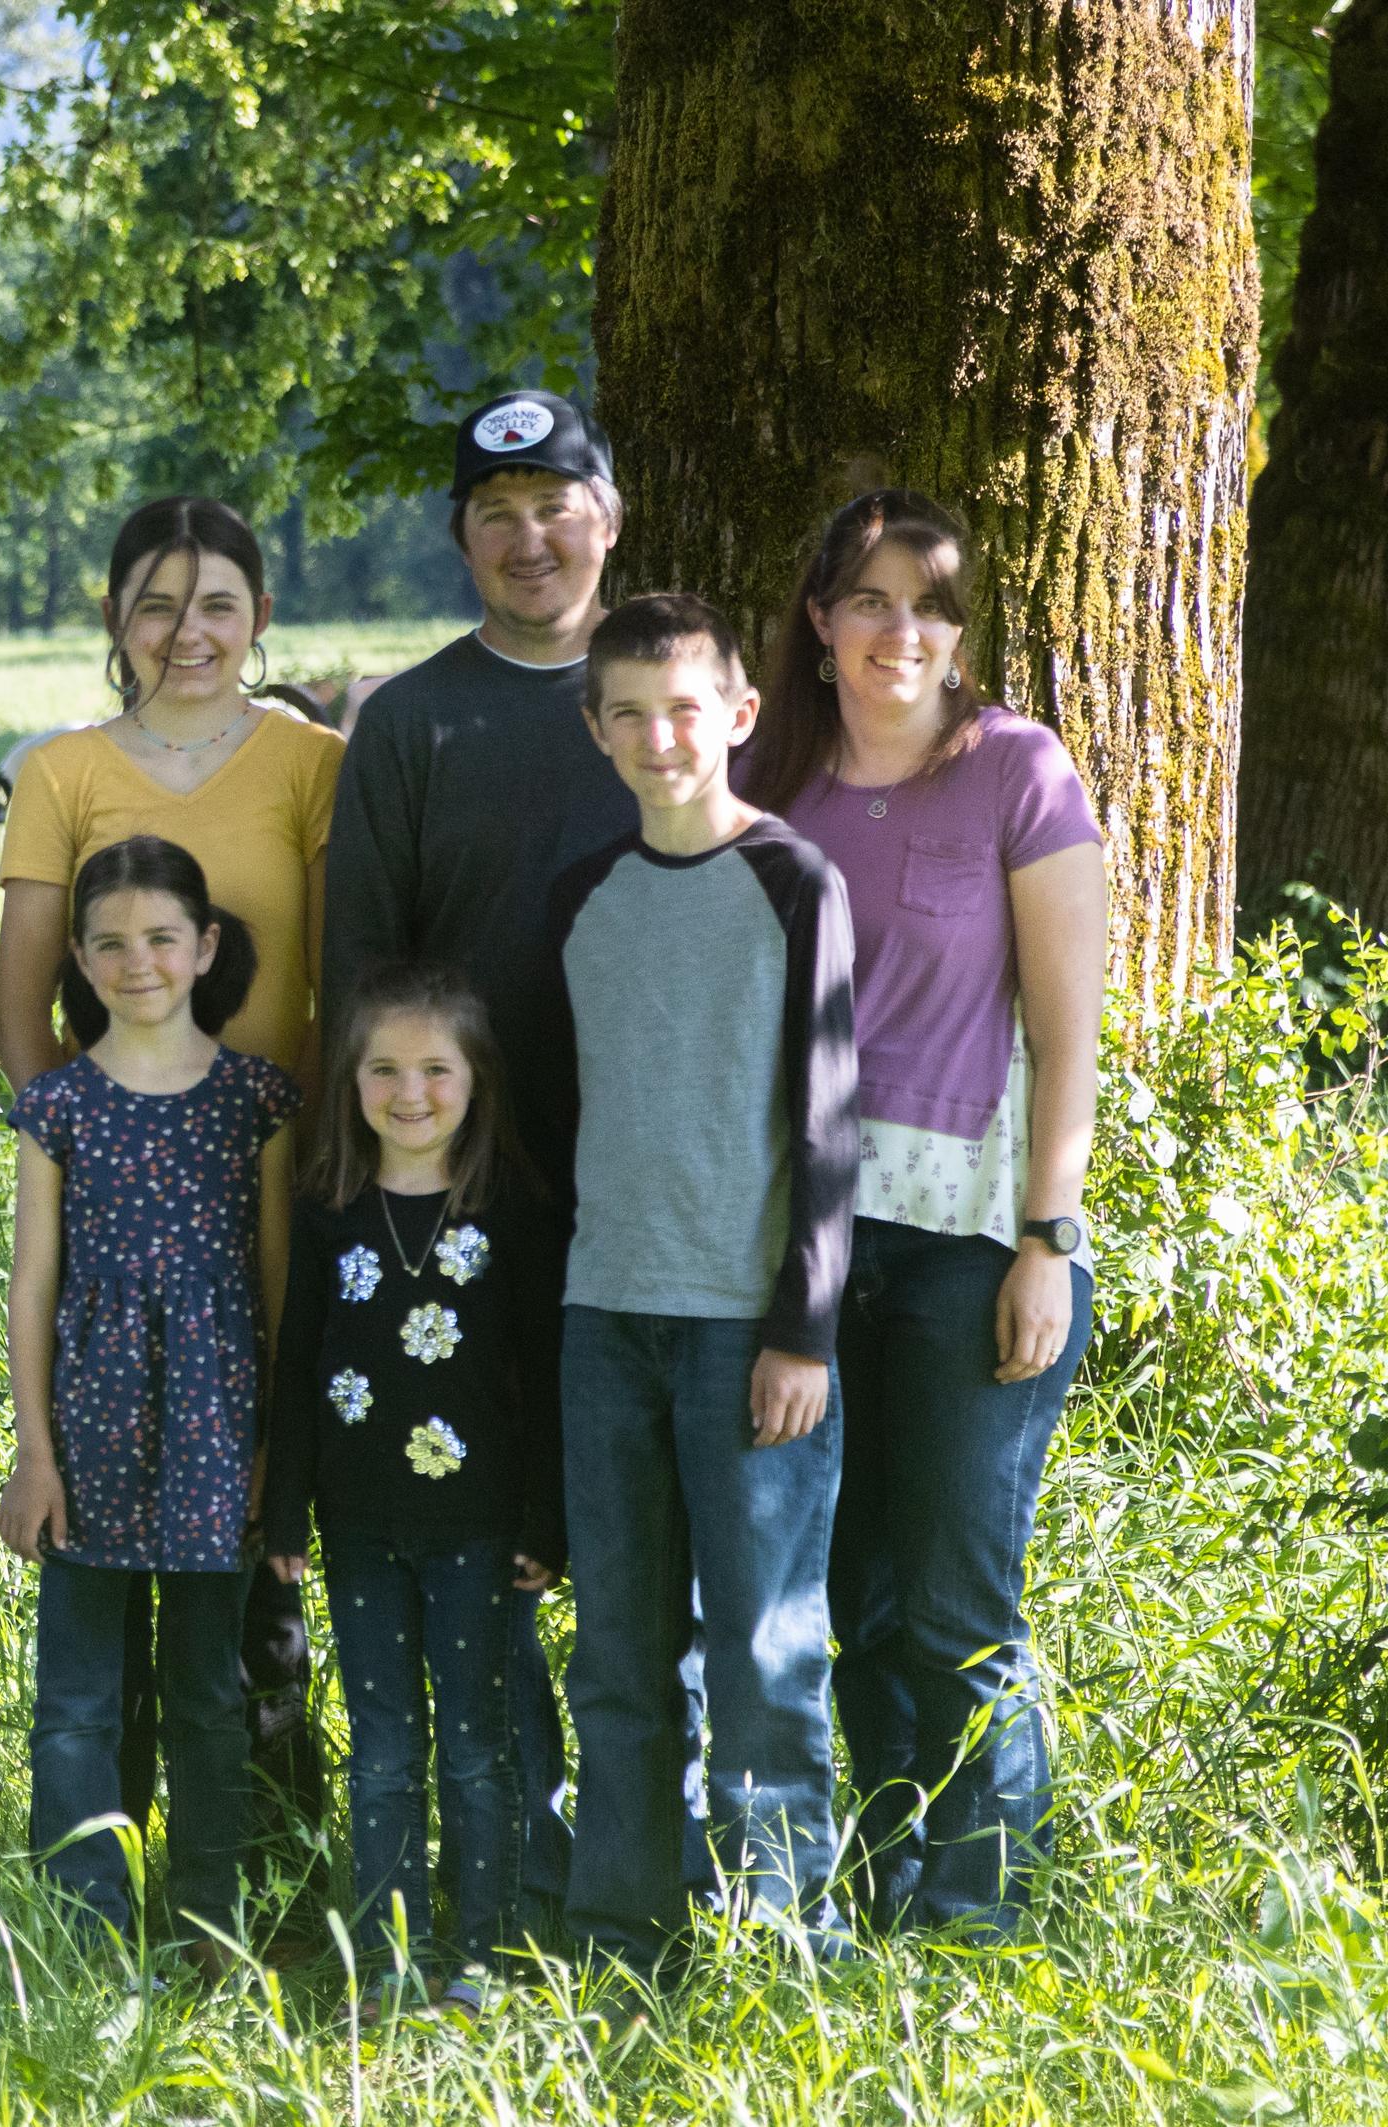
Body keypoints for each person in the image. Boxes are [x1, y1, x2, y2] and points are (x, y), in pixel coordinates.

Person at [748, 492, 1106, 1940]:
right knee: (847, 1601)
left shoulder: (1016, 767)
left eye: (931, 605)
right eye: (872, 599)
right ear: (820, 620)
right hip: (811, 1249)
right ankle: (881, 1882)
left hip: (972, 1248)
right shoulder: (767, 779)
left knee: (958, 1609)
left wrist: (1048, 1241)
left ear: (961, 633)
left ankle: (980, 1923)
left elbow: (1073, 1033)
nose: (903, 630)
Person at [0, 496, 346, 1870]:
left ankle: (261, 1857)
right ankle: (98, 1868)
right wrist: (82, 1137)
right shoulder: (65, 768)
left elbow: (340, 974)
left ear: (260, 615)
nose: (186, 630)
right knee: (97, 1584)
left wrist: (293, 1149)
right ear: (114, 621)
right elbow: (28, 1012)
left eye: (216, 601)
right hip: (109, 1205)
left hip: (271, 1171)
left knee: (253, 1560)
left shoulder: (313, 760)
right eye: (155, 601)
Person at [320, 388, 637, 1907]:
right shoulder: (411, 721)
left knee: (630, 1549)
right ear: (459, 536)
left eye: (555, 504)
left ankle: (633, 1866)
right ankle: (483, 1878)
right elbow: (359, 975)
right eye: (495, 512)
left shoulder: (661, 705)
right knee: (479, 1542)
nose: (529, 537)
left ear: (609, 519)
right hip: (455, 1224)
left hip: (645, 1207)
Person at [542, 592, 858, 1978]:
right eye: (630, 710)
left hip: (749, 1332)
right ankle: (625, 1927)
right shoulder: (581, 898)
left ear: (737, 715)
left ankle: (784, 1932)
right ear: (598, 730)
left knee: (764, 1649)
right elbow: (559, 1125)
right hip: (603, 1320)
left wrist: (803, 1327)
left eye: (686, 707)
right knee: (616, 1649)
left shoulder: (795, 882)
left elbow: (832, 1124)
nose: (659, 734)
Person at [0, 836, 299, 1955]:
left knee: (208, 1701)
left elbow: (275, 1287)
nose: (138, 962)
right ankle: (80, 1937)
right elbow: (34, 1284)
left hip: (218, 1436)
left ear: (205, 946)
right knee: (77, 1701)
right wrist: (35, 1453)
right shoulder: (58, 1106)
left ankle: (211, 1931)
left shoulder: (254, 1101)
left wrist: (274, 1447)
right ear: (75, 959)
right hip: (88, 1434)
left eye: (162, 938)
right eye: (111, 944)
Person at [262, 964, 563, 2000]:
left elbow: (543, 1376)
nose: (411, 1092)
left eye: (437, 1068)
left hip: (481, 1528)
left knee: (480, 1749)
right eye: (384, 1068)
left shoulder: (513, 1212)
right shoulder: (329, 1207)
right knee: (383, 1752)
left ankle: (481, 1952)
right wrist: (287, 1509)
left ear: (478, 1081)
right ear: (350, 1082)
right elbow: (300, 1358)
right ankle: (388, 1960)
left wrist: (544, 1519)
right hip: (357, 1526)